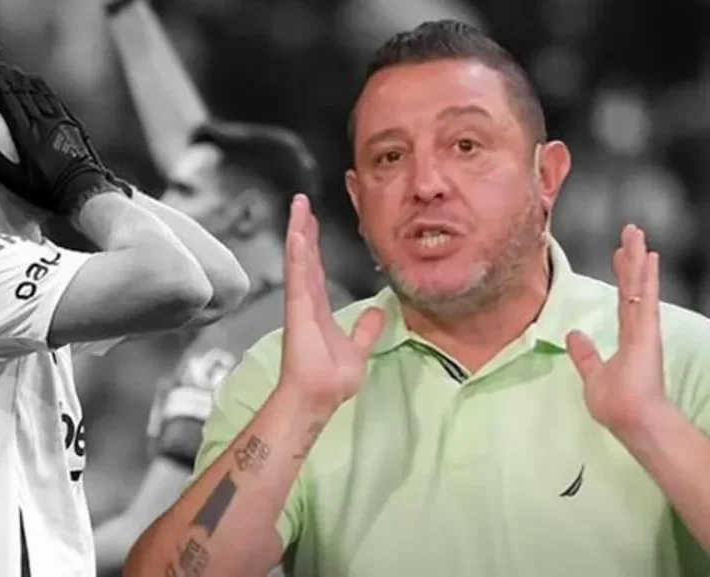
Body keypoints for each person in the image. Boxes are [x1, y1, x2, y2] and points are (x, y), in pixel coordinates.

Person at [124, 19, 710, 577]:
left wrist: (654, 426)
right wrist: (298, 409)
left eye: (466, 145)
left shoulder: (684, 357)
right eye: (390, 157)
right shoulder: (286, 374)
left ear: (547, 177)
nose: (425, 184)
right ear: (358, 201)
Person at [0, 29, 250, 577]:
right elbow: (178, 283)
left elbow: (220, 284)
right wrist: (78, 181)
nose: (34, 121)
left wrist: (90, 177)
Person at [91, 4, 352, 575]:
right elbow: (197, 161)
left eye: (181, 193)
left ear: (247, 215)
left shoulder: (235, 349)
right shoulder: (331, 309)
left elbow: (147, 535)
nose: (158, 209)